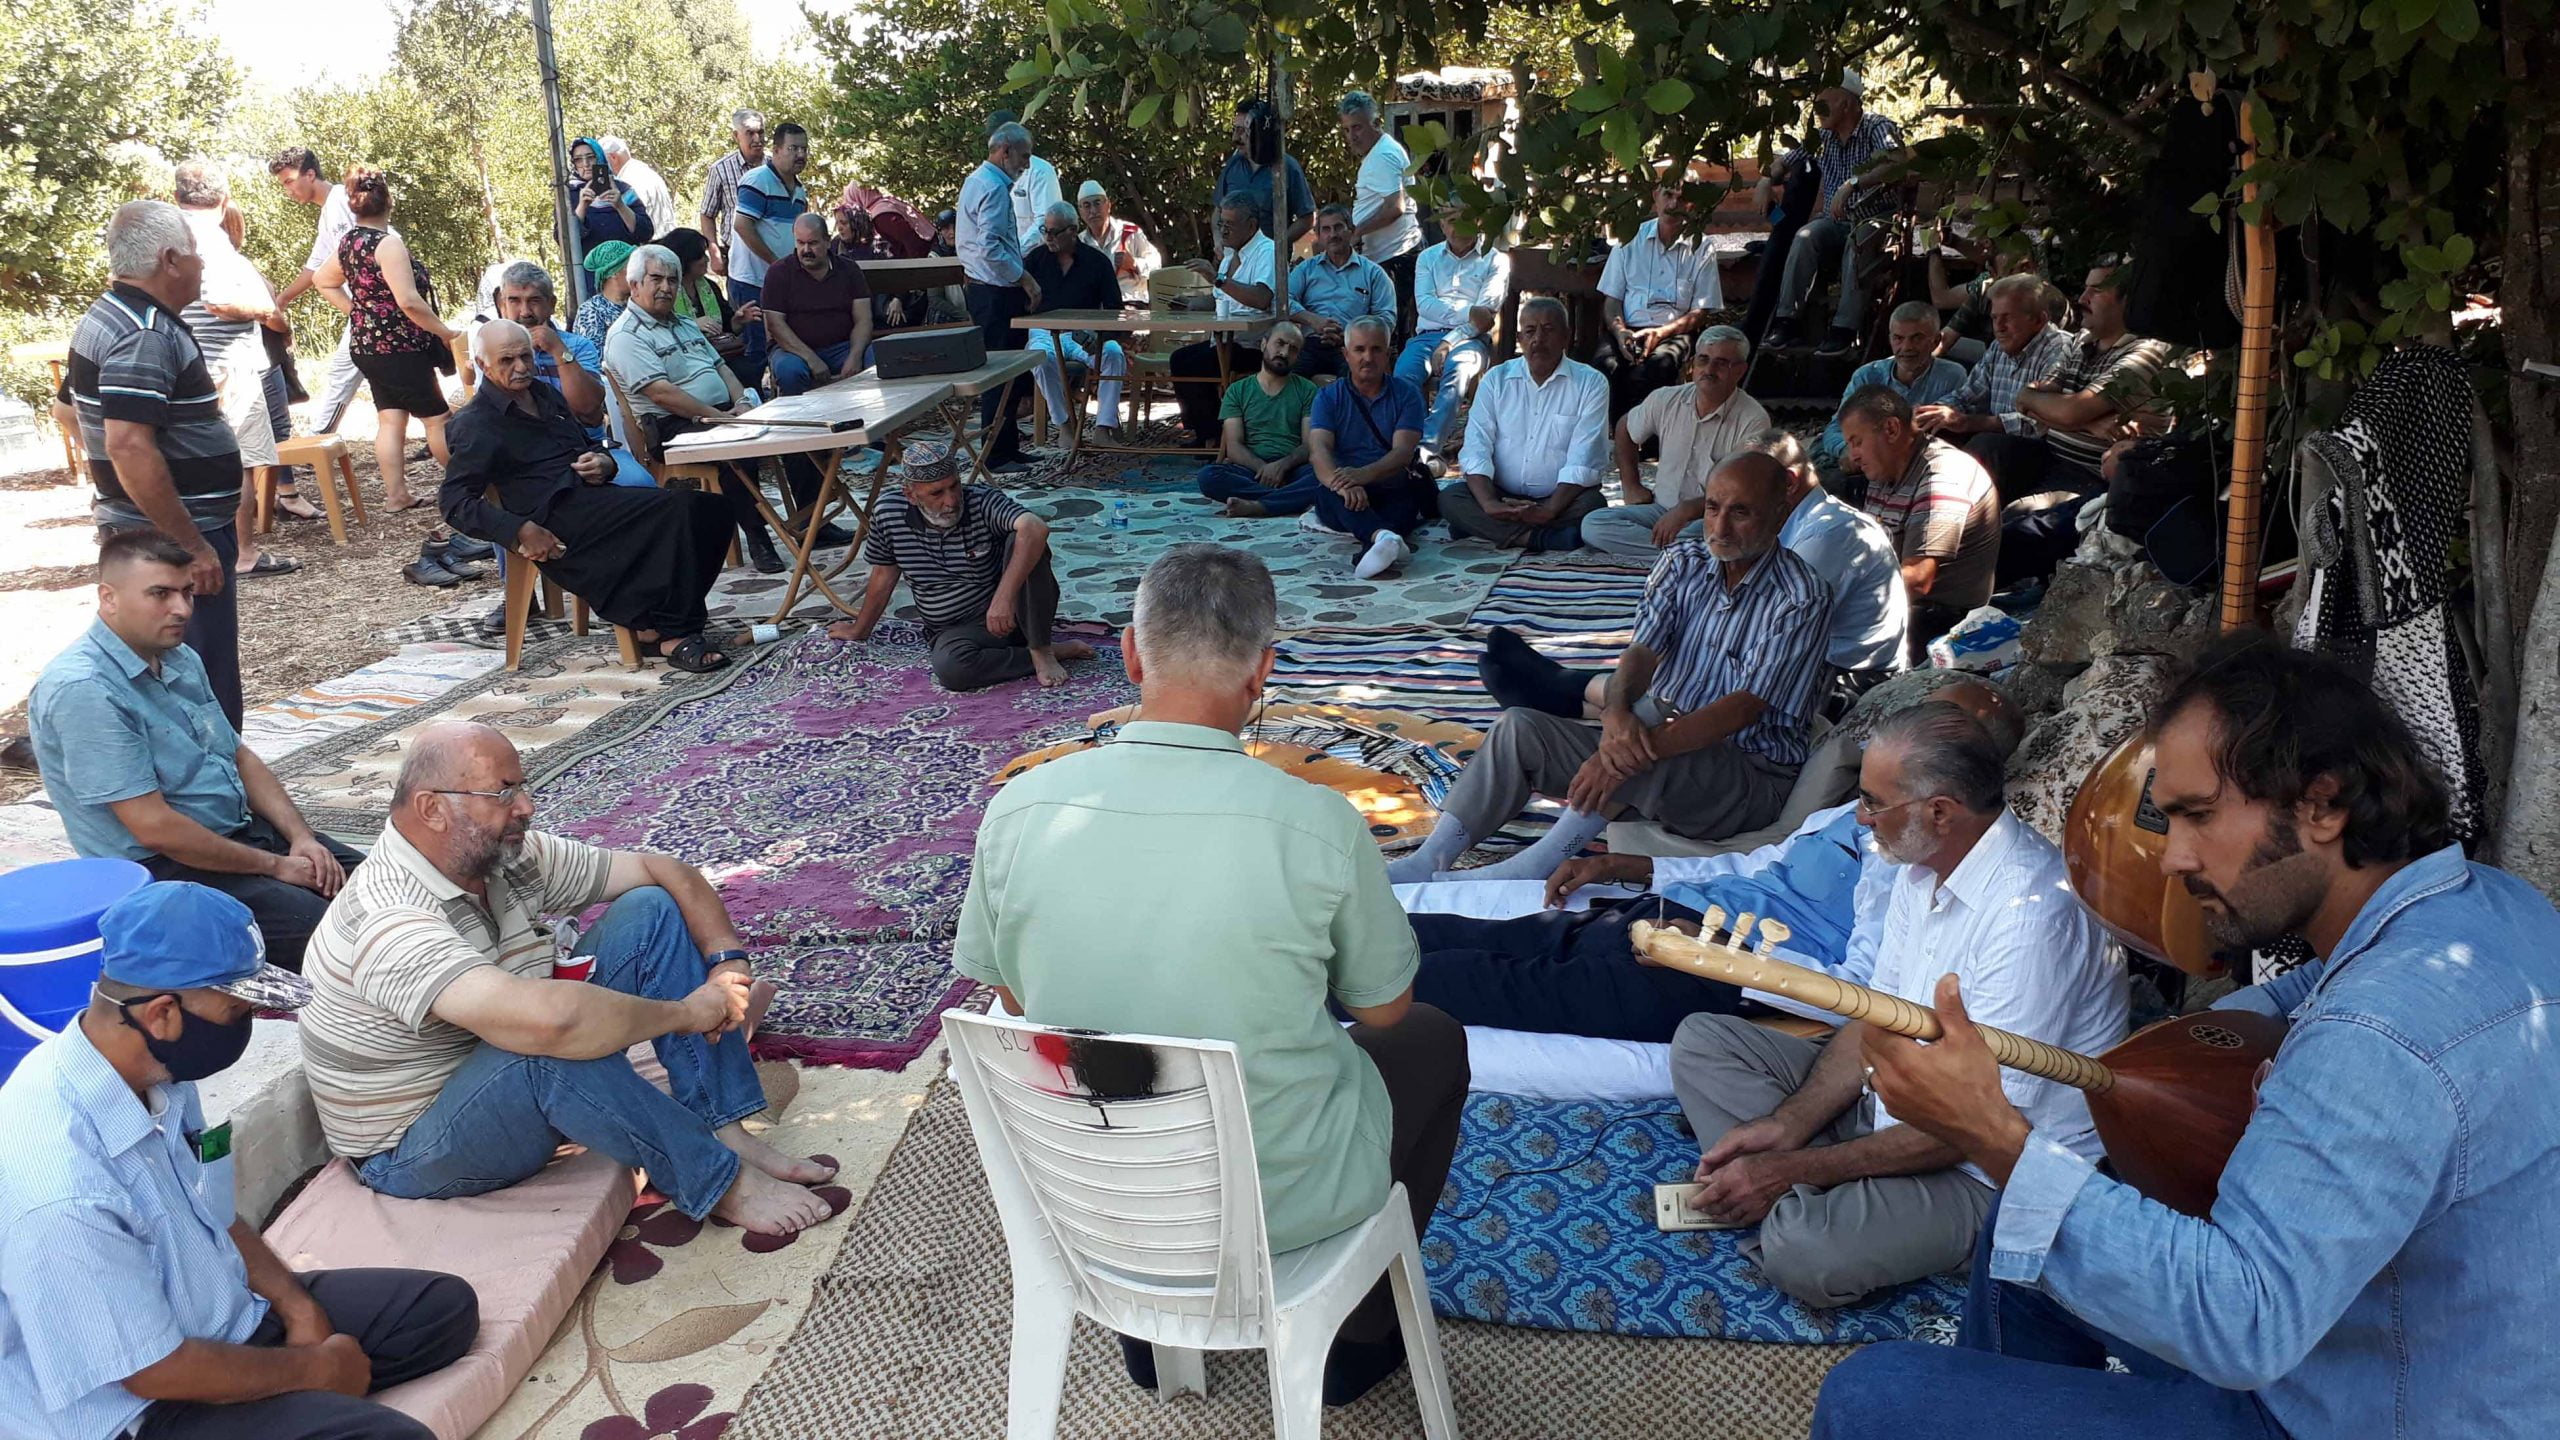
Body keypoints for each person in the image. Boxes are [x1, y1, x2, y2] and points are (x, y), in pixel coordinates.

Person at [1818, 634, 2560, 1440]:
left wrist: (1992, 1134)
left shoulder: (2374, 1037)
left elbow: (2243, 1325)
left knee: (1874, 1392)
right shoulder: (2493, 905)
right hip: (2397, 1345)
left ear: (2322, 804)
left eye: (2198, 816)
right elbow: (2315, 993)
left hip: (2361, 1406)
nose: (2172, 858)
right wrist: (2178, 1050)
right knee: (2025, 1229)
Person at [956, 544, 1469, 1406]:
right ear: (1264, 671)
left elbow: (1014, 1000)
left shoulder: (1021, 808)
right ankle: (1357, 1336)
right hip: (1281, 1207)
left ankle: (1152, 1339)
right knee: (1430, 1040)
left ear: (1129, 652)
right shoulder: (1315, 823)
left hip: (1095, 1193)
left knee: (1115, 1059)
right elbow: (1384, 1009)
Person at [301, 722, 841, 1238]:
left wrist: (728, 964)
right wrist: (689, 1011)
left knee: (648, 909)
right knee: (542, 1042)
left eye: (522, 787)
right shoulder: (387, 916)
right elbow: (550, 1024)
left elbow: (663, 871)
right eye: (504, 793)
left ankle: (724, 1127)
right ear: (432, 809)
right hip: (415, 1150)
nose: (527, 808)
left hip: (488, 1070)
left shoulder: (501, 857)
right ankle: (719, 1180)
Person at [1671, 701, 2125, 1308]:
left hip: (1986, 1170)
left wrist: (1796, 1169)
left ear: (1939, 812)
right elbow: (1874, 1017)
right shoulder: (1920, 869)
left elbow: (1975, 1130)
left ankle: (1812, 1206)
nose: (1861, 819)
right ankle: (1803, 1189)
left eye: (1874, 804)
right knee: (1704, 1041)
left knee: (1804, 1250)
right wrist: (1790, 1124)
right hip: (1897, 1102)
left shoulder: (2032, 918)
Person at [0, 881, 480, 1440]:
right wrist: (317, 1369)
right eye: (238, 1009)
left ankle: (291, 1396)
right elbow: (151, 1370)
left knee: (441, 1310)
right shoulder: (61, 1187)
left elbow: (216, 1213)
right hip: (139, 1407)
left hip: (220, 1319)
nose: (248, 1021)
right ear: (162, 1014)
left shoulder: (159, 1073)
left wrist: (298, 1309)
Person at [1398, 679, 2019, 1043]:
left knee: (1484, 981)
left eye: (1877, 799)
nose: (1860, 814)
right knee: (1475, 936)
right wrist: (1627, 870)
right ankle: (1330, 942)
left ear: (1950, 792)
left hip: (1705, 976)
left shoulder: (1920, 879)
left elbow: (1854, 994)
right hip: (1665, 918)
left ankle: (1323, 987)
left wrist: (1721, 955)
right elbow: (1755, 866)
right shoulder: (1854, 820)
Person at [1390, 453, 1834, 883]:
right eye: (1713, 508)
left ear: (1780, 512)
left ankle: (1532, 867)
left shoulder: (1801, 597)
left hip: (1749, 776)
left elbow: (1742, 709)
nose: (1719, 527)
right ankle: (1431, 859)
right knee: (1520, 727)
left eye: (1741, 513)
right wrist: (1617, 714)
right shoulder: (1685, 562)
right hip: (1668, 733)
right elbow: (1642, 651)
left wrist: (1623, 752)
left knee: (1635, 755)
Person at [29, 529, 367, 969]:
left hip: (237, 834)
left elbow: (239, 755)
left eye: (187, 592)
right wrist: (274, 865)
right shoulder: (84, 690)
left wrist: (299, 836)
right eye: (160, 594)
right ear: (107, 597)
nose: (182, 609)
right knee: (345, 941)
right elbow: (155, 829)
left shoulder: (178, 656)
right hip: (164, 869)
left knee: (389, 886)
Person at [444, 322, 737, 671]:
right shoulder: (475, 423)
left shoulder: (544, 395)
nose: (520, 367)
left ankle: (654, 622)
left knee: (713, 510)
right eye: (507, 360)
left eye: (525, 356)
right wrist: (519, 529)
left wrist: (604, 463)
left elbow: (587, 445)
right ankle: (675, 632)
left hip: (591, 498)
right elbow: (454, 502)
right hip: (553, 520)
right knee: (678, 512)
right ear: (483, 363)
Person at [67, 201, 247, 726]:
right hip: (169, 537)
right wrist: (190, 546)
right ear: (170, 260)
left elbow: (69, 410)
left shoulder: (107, 315)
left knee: (165, 675)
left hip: (144, 527)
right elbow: (128, 444)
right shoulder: (145, 332)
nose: (202, 265)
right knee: (196, 683)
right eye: (194, 254)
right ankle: (212, 798)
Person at [823, 446, 1095, 689]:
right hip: (955, 630)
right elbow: (884, 574)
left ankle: (1041, 649)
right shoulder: (888, 513)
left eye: (954, 486)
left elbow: (1035, 528)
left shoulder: (981, 501)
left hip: (1010, 615)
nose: (951, 501)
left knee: (1023, 540)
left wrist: (1003, 598)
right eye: (937, 493)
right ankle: (1056, 651)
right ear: (911, 494)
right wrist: (860, 629)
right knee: (953, 670)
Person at [603, 243, 791, 572]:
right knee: (735, 443)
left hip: (717, 413)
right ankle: (758, 535)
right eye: (656, 279)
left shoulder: (685, 322)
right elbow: (662, 395)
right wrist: (723, 418)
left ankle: (811, 517)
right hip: (670, 426)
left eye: (672, 280)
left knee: (793, 423)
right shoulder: (625, 335)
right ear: (634, 285)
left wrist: (742, 402)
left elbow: (721, 368)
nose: (666, 287)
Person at [173, 160, 294, 581]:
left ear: (177, 197)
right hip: (226, 363)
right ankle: (243, 554)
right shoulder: (211, 239)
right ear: (224, 200)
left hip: (188, 361)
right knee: (238, 461)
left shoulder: (169, 233)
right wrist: (265, 311)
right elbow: (221, 303)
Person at [314, 168, 458, 515]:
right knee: (437, 419)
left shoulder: (349, 242)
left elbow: (323, 280)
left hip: (366, 347)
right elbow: (408, 301)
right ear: (388, 201)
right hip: (400, 347)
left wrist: (358, 312)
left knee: (391, 419)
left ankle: (397, 495)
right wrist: (445, 332)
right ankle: (464, 487)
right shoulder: (387, 244)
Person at [1838, 385, 1999, 658]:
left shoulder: (1943, 475)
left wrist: (1839, 603)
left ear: (1890, 429)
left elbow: (1917, 579)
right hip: (1902, 606)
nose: (1852, 454)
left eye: (1857, 441)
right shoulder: (1886, 467)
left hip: (1939, 622)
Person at [1441, 297, 1611, 550]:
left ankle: (1488, 529)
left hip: (1559, 500)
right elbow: (1477, 446)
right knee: (1450, 498)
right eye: (1530, 331)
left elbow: (1584, 458)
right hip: (1500, 494)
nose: (1538, 340)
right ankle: (1537, 538)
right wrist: (1489, 503)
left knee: (1592, 505)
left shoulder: (1591, 383)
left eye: (1548, 330)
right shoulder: (1496, 380)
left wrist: (1549, 510)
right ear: (1520, 339)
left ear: (1566, 336)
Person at [1582, 327, 1768, 558]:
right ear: (1693, 364)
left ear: (1740, 371)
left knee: (1714, 534)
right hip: (1660, 509)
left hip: (1713, 517)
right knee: (1593, 524)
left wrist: (1688, 510)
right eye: (1704, 360)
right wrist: (1631, 486)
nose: (1709, 370)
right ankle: (1679, 555)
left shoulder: (1753, 419)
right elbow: (1624, 427)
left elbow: (1742, 491)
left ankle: (1670, 553)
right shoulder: (1667, 399)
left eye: (1721, 363)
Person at [1748, 428, 1911, 687]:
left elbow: (1767, 627)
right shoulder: (1808, 522)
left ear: (1789, 483)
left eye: (1746, 487)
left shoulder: (1826, 534)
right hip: (1827, 665)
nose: (1740, 499)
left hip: (1854, 679)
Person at [1765, 71, 1909, 353]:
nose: (1818, 110)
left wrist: (1853, 183)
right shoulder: (1822, 137)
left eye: (1824, 102)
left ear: (1846, 103)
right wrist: (1764, 182)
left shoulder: (1877, 127)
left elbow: (1896, 163)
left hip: (1876, 218)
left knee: (1858, 243)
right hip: (1834, 221)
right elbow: (1783, 162)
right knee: (1804, 237)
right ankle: (1787, 322)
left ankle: (1844, 328)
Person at [1912, 274, 2080, 503]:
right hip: (1999, 444)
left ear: (2039, 321)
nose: (1998, 327)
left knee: (1988, 444)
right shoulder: (1999, 347)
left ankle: (1952, 510)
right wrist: (1934, 412)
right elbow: (1967, 395)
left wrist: (1968, 422)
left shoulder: (2060, 349)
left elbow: (2038, 424)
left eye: (2007, 318)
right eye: (1994, 318)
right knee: (1930, 429)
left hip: (2042, 452)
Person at [2009, 261, 2174, 494]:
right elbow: (2024, 404)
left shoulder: (2146, 354)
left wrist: (2052, 408)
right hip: (2049, 458)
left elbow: (2067, 411)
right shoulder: (2081, 341)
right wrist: (2091, 422)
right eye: (2086, 288)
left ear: (2130, 301)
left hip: (2095, 480)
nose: (2082, 298)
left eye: (2096, 290)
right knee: (1987, 450)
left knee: (2015, 522)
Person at [492, 261, 654, 488]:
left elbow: (587, 409)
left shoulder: (577, 346)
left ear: (551, 304)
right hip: (528, 456)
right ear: (502, 306)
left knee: (641, 484)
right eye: (514, 301)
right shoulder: (491, 352)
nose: (525, 312)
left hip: (589, 447)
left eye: (534, 301)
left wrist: (558, 351)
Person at [1305, 316, 1432, 579]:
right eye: (1359, 350)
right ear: (1346, 354)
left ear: (1388, 354)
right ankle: (1383, 537)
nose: (1368, 358)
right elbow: (1319, 450)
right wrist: (1344, 485)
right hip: (1344, 490)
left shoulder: (1407, 394)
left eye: (1376, 350)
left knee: (1402, 506)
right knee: (1329, 497)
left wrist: (1363, 475)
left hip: (1392, 485)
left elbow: (1402, 453)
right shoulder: (1328, 397)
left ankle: (1374, 545)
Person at [1595, 176, 1726, 416]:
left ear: (1692, 205)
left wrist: (1661, 333)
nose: (1673, 204)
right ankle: (1617, 440)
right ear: (1656, 195)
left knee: (1656, 369)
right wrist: (1620, 331)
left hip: (1673, 333)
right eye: (1668, 195)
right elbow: (1612, 300)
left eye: (1682, 198)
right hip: (1627, 329)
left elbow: (1700, 313)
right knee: (1605, 368)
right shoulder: (1630, 239)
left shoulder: (1701, 247)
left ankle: (1651, 446)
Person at [1397, 201, 1509, 467]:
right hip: (1426, 337)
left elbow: (1485, 319)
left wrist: (1451, 340)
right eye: (1451, 220)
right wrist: (1470, 311)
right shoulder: (1428, 257)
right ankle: (1403, 442)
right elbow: (1424, 304)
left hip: (1471, 339)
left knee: (1458, 372)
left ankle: (1424, 449)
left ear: (1479, 222)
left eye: (1465, 219)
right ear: (1442, 225)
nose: (1458, 227)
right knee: (1403, 376)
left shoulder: (1496, 259)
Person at [957, 122, 1041, 474]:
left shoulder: (980, 181)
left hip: (988, 288)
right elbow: (990, 247)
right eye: (1023, 156)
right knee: (996, 375)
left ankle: (1008, 447)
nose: (1026, 164)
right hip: (993, 291)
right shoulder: (991, 187)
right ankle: (995, 454)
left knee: (1008, 375)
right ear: (1004, 150)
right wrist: (1025, 279)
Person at [264, 147, 365, 435]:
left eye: (289, 181)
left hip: (372, 306)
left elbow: (358, 252)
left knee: (341, 374)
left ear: (310, 174)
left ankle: (319, 441)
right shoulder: (328, 213)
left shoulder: (341, 202)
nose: (287, 190)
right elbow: (314, 268)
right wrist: (282, 299)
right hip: (365, 307)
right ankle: (439, 425)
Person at [1811, 301, 1968, 483]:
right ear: (1890, 339)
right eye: (1898, 338)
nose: (1906, 347)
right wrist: (1847, 450)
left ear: (1936, 341)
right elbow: (1836, 427)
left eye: (1916, 338)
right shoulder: (1868, 375)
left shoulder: (1952, 376)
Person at [1169, 197, 1278, 446]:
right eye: (1221, 224)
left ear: (1251, 226)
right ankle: (1205, 432)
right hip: (1224, 340)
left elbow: (1261, 298)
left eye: (1229, 224)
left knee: (1197, 365)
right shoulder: (1231, 255)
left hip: (1254, 344)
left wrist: (1216, 278)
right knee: (1180, 359)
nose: (1223, 230)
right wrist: (1192, 302)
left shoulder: (1267, 252)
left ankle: (1216, 437)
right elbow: (1225, 297)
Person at [1022, 201, 1130, 438]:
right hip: (1045, 332)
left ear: (1072, 230)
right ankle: (1064, 425)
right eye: (1045, 231)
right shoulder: (1034, 261)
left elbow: (1115, 310)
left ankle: (1103, 427)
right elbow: (1019, 305)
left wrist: (1102, 335)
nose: (1048, 237)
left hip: (1086, 333)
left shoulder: (1097, 262)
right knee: (1039, 358)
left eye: (1054, 232)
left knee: (1113, 353)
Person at [1194, 322, 1317, 518]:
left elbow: (1309, 444)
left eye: (1293, 349)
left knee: (1324, 474)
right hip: (1250, 470)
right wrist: (1265, 470)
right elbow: (1233, 447)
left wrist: (1281, 466)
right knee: (1208, 477)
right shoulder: (1237, 391)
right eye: (1280, 343)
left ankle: (1259, 506)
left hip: (1293, 470)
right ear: (1263, 344)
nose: (1284, 353)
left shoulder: (1308, 390)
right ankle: (1287, 500)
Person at [729, 121, 813, 389]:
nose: (800, 155)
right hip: (752, 280)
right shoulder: (757, 181)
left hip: (782, 283)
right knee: (757, 350)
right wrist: (777, 264)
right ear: (776, 150)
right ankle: (752, 410)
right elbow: (742, 225)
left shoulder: (800, 191)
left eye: (804, 149)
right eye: (793, 148)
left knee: (784, 345)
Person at [758, 213, 875, 396]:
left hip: (842, 346)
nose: (805, 250)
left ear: (828, 241)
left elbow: (864, 319)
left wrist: (855, 355)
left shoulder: (849, 269)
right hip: (792, 350)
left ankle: (876, 418)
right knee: (790, 371)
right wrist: (811, 359)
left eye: (812, 243)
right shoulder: (779, 273)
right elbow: (775, 326)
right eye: (800, 243)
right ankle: (798, 423)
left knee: (877, 357)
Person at [1339, 91, 1422, 337]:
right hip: (1390, 255)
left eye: (1357, 128)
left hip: (1396, 256)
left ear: (1375, 123)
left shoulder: (1383, 155)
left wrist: (1358, 232)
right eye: (1346, 130)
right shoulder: (1381, 151)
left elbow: (1394, 207)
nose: (1352, 136)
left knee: (1392, 331)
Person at [1285, 204, 1397, 377]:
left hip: (1355, 348)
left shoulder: (1373, 273)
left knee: (1358, 384)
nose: (1333, 235)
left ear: (1351, 231)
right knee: (1289, 381)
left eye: (1338, 228)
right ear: (1319, 236)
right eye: (1326, 230)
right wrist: (1314, 321)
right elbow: (1284, 301)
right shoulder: (1306, 269)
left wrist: (1351, 334)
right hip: (1312, 343)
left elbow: (1386, 318)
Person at [659, 226, 756, 387]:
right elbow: (660, 330)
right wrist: (692, 325)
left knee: (746, 370)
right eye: (700, 256)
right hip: (687, 359)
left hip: (719, 353)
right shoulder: (666, 292)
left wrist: (738, 321)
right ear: (686, 259)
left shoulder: (709, 287)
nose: (706, 260)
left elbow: (725, 327)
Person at [1215, 97, 1316, 249]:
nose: (1236, 138)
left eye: (1243, 131)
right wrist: (1218, 241)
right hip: (1234, 261)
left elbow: (1307, 218)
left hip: (1270, 263)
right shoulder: (1233, 165)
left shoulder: (1286, 167)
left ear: (1259, 131)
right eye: (1235, 130)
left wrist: (1277, 246)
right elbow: (1217, 210)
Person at [696, 109, 765, 283]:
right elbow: (707, 214)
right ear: (736, 136)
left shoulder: (776, 166)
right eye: (750, 133)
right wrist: (714, 251)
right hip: (736, 257)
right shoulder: (720, 170)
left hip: (772, 254)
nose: (757, 139)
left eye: (761, 132)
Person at [985, 109, 1062, 252]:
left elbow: (1045, 221)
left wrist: (1015, 251)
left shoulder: (1040, 171)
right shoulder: (989, 175)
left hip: (1037, 258)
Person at [1075, 179, 1160, 304]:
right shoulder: (1079, 243)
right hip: (1095, 309)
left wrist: (1134, 264)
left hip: (1131, 303)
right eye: (1087, 206)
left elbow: (1157, 265)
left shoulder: (1130, 232)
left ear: (1108, 205)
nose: (1093, 211)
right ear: (1080, 211)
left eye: (1097, 203)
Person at [568, 137, 651, 253]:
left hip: (626, 266)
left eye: (590, 157)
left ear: (600, 157)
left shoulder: (623, 190)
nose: (585, 164)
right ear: (574, 164)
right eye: (578, 160)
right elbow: (564, 240)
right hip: (587, 269)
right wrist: (582, 206)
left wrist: (620, 206)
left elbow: (645, 233)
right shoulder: (568, 196)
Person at [599, 136, 675, 241]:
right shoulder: (644, 171)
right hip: (666, 239)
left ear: (613, 157)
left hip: (652, 245)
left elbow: (635, 219)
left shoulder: (629, 181)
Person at [572, 240, 633, 347]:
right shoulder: (591, 310)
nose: (639, 273)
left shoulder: (639, 302)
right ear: (613, 273)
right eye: (632, 268)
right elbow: (594, 358)